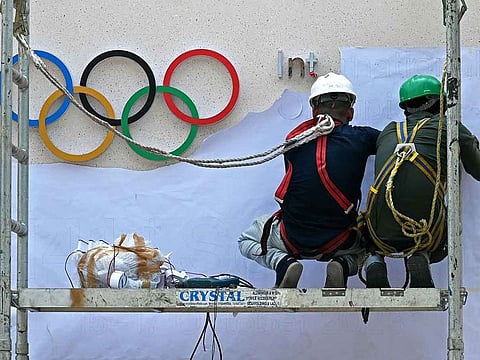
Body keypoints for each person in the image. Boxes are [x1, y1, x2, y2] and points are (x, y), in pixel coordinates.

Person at [238, 72, 380, 288]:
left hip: (292, 236)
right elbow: (390, 142)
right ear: (350, 112)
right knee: (372, 246)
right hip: (340, 238)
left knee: (247, 239)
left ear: (314, 111)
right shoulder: (363, 138)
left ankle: (283, 263)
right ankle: (342, 264)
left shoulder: (294, 141)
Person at [364, 74, 480, 288]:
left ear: (405, 107)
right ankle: (421, 255)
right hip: (426, 230)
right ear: (439, 102)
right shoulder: (449, 126)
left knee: (363, 228)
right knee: (451, 225)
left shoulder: (389, 131)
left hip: (379, 232)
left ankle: (374, 260)